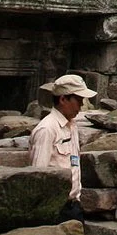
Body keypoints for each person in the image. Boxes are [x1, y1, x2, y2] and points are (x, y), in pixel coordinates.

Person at [31, 74, 96, 216]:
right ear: (63, 99)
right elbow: (37, 173)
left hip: (73, 204)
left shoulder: (72, 125)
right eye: (78, 100)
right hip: (55, 208)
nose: (81, 105)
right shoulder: (47, 129)